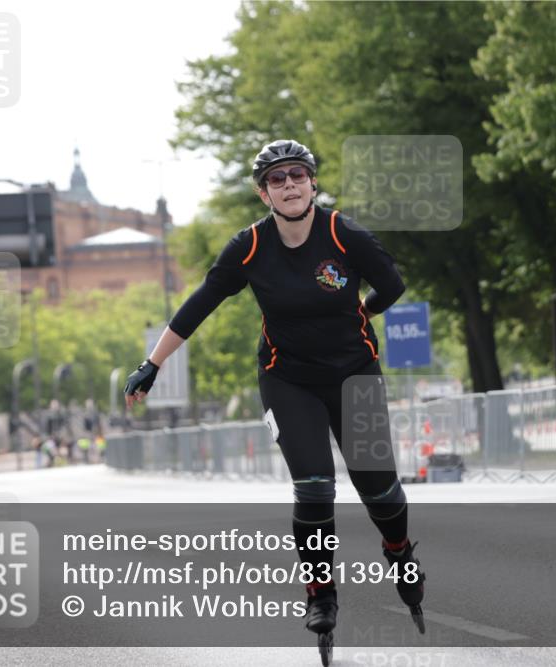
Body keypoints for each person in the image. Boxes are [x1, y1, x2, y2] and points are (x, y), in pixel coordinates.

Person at [124, 140, 426, 650]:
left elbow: (392, 285)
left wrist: (362, 313)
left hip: (354, 373)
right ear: (263, 193)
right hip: (287, 379)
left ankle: (398, 551)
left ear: (312, 182)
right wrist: (152, 364)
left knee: (379, 489)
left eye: (297, 175)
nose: (289, 185)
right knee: (314, 488)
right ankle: (320, 593)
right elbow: (201, 303)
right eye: (277, 179)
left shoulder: (344, 234)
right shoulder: (249, 247)